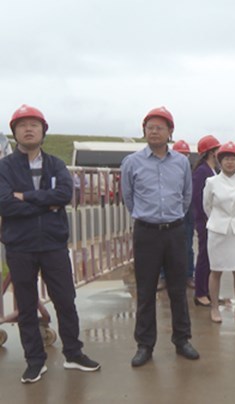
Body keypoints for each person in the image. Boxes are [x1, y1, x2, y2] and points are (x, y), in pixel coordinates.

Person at [0, 105, 100, 383]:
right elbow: (4, 203)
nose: (28, 129)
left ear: (43, 131)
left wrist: (25, 196)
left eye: (34, 124)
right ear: (15, 132)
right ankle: (35, 361)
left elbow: (64, 195)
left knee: (66, 300)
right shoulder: (4, 167)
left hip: (53, 244)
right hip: (20, 246)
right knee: (26, 305)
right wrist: (46, 203)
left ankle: (74, 354)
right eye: (22, 125)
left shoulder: (56, 164)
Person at [121, 106, 199, 367]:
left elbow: (186, 196)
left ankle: (182, 339)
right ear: (144, 131)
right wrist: (147, 217)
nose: (154, 132)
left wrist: (171, 217)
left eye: (159, 128)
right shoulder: (132, 162)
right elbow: (128, 197)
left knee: (178, 288)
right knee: (145, 290)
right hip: (146, 233)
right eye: (150, 127)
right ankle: (145, 345)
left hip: (175, 232)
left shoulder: (181, 162)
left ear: (170, 132)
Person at [203, 141, 235, 323]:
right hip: (218, 230)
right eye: (226, 159)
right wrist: (218, 220)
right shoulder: (211, 182)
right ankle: (215, 308)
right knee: (216, 270)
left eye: (233, 159)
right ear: (220, 161)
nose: (230, 162)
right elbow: (207, 205)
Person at [192, 135, 221, 307]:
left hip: (212, 220)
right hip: (205, 220)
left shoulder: (212, 170)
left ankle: (208, 290)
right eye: (218, 150)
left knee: (211, 257)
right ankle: (200, 292)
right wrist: (205, 218)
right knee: (204, 256)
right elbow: (197, 198)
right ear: (211, 152)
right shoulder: (202, 171)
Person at [173, 139, 195, 288]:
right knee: (166, 247)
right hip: (170, 214)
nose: (183, 158)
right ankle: (165, 277)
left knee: (187, 246)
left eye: (185, 155)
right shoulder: (167, 172)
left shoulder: (190, 173)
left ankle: (188, 275)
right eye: (180, 154)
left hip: (187, 214)